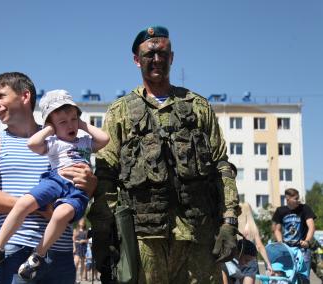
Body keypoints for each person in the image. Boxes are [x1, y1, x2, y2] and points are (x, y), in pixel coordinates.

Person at [88, 25, 240, 283]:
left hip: (198, 234)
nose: (157, 59)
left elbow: (221, 166)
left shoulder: (199, 106)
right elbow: (106, 174)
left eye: (163, 53)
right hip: (143, 237)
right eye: (149, 54)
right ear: (137, 60)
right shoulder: (120, 111)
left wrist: (229, 222)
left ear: (172, 57)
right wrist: (103, 230)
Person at [0, 72, 97, 284]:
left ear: (25, 96)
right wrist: (40, 207)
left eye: (1, 96)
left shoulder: (64, 138)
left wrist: (91, 186)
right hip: (15, 251)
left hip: (61, 254)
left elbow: (82, 189)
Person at [272, 188, 316, 282]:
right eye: (295, 199)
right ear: (288, 199)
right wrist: (280, 242)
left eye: (298, 198)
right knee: (286, 277)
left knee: (303, 278)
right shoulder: (280, 211)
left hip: (302, 249)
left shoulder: (305, 208)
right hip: (287, 250)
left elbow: (311, 227)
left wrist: (307, 241)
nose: (298, 200)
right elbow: (277, 230)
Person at [222, 202, 273, 284]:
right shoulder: (253, 227)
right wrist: (268, 263)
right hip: (250, 262)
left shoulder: (234, 226)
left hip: (237, 261)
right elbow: (259, 246)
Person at [73, 218, 88, 283]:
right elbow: (73, 239)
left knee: (82, 263)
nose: (82, 222)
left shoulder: (86, 231)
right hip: (77, 246)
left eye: (83, 222)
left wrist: (83, 240)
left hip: (83, 246)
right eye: (81, 221)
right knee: (76, 262)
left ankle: (80, 278)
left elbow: (87, 240)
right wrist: (74, 248)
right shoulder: (76, 230)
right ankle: (73, 277)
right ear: (79, 222)